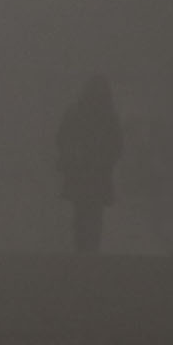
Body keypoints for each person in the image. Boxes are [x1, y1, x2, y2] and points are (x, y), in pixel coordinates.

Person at [55, 74, 123, 253]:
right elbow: (117, 146)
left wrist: (71, 156)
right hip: (96, 173)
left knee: (82, 211)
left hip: (81, 171)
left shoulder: (75, 111)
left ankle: (83, 250)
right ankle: (90, 251)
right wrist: (105, 160)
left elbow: (61, 138)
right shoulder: (108, 116)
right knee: (93, 212)